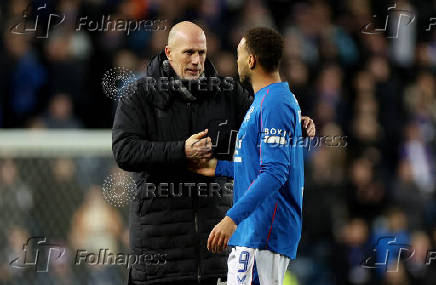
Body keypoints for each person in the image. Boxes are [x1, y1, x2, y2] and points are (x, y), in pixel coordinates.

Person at [112, 22, 314, 285]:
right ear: (168, 52)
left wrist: (295, 126)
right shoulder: (139, 96)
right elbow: (124, 150)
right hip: (160, 250)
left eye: (202, 52)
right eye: (189, 53)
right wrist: (180, 150)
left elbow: (262, 124)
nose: (197, 60)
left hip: (215, 246)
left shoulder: (227, 93)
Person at [196, 27, 305, 285]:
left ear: (251, 59)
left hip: (262, 230)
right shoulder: (265, 100)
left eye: (239, 54)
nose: (236, 61)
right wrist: (217, 167)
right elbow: (255, 166)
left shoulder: (276, 102)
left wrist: (232, 218)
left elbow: (275, 172)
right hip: (255, 231)